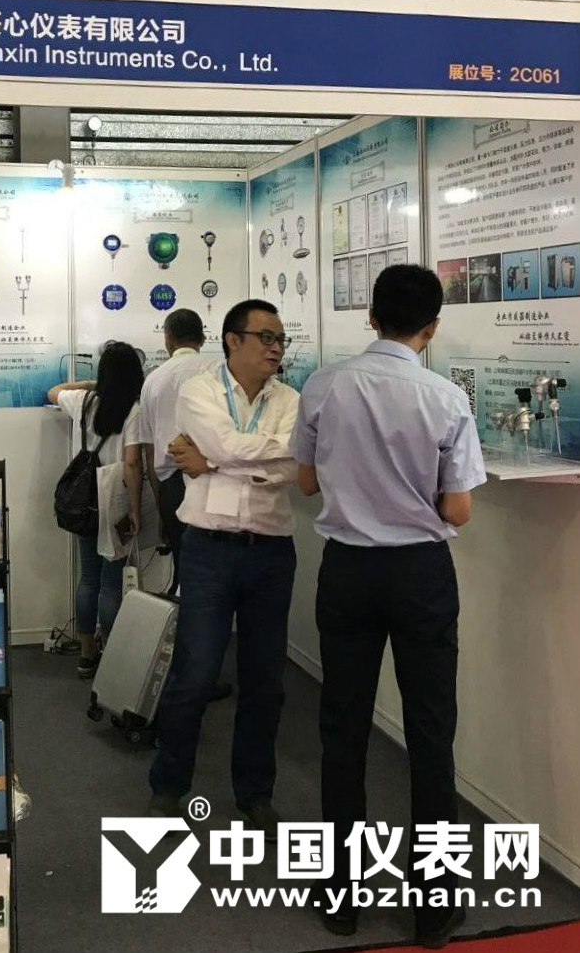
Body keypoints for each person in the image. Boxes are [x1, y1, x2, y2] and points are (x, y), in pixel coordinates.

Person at [290, 264, 486, 949]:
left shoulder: (323, 386)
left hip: (347, 571)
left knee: (343, 727)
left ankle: (340, 895)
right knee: (430, 732)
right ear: (431, 328)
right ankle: (433, 906)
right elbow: (457, 508)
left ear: (370, 317)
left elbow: (306, 482)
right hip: (420, 575)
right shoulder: (446, 398)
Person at [148, 300, 299, 831]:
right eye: (267, 338)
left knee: (265, 681)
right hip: (209, 550)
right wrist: (248, 456)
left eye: (280, 340)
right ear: (233, 340)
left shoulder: (292, 400)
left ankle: (254, 794)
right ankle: (169, 784)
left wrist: (211, 462)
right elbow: (239, 444)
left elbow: (296, 463)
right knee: (195, 674)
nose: (276, 349)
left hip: (271, 552)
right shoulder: (199, 391)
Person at [48, 341, 145, 679]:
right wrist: (136, 510)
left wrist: (91, 384)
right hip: (115, 501)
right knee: (111, 582)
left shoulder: (85, 401)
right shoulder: (134, 410)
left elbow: (53, 391)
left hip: (85, 501)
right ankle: (113, 656)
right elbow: (132, 464)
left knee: (88, 578)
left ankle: (87, 654)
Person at [139, 308, 211, 594]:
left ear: (167, 339)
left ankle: (185, 616)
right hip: (215, 480)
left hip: (172, 485)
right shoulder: (219, 371)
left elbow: (149, 449)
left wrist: (160, 500)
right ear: (202, 338)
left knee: (184, 561)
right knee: (214, 565)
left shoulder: (153, 380)